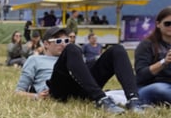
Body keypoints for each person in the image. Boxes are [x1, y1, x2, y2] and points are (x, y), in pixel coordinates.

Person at [14, 26, 144, 113]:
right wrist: (36, 96)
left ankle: (133, 100)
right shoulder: (35, 60)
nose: (64, 43)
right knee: (72, 48)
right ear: (46, 44)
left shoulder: (73, 54)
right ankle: (101, 99)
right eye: (59, 40)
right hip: (58, 89)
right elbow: (18, 92)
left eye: (66, 40)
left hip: (82, 87)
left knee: (117, 50)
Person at [133, 6, 171, 106]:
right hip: (150, 86)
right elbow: (141, 75)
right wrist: (164, 61)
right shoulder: (147, 45)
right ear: (158, 24)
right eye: (167, 24)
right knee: (159, 89)